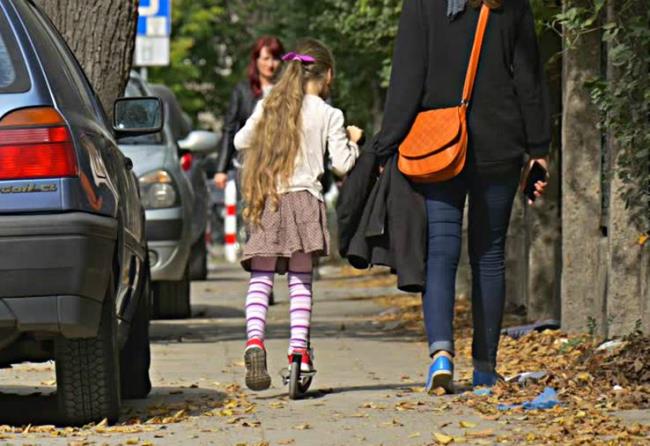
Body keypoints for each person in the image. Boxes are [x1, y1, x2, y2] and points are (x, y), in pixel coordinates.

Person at [371, 0, 550, 393]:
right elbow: (528, 78)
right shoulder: (510, 5)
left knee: (440, 250)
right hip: (499, 143)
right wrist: (539, 148)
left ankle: (441, 355)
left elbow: (407, 78)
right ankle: (485, 368)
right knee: (489, 255)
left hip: (439, 145)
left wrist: (386, 146)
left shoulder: (422, 5)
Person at [234, 39, 362, 391]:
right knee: (300, 280)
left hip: (268, 200)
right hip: (305, 200)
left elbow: (240, 142)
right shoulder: (329, 114)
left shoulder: (269, 105)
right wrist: (353, 140)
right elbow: (342, 165)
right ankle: (297, 354)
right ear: (327, 75)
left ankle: (255, 341)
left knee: (261, 278)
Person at [213, 36, 285, 189]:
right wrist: (221, 169)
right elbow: (229, 129)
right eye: (265, 59)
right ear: (256, 60)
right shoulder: (242, 91)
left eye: (275, 59)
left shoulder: (288, 91)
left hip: (281, 167)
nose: (270, 65)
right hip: (249, 166)